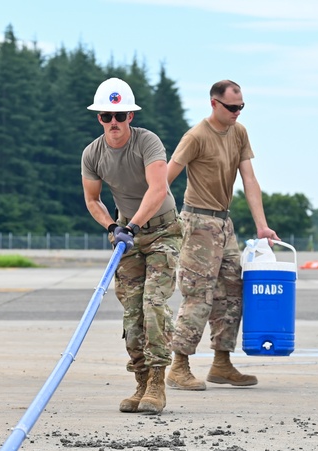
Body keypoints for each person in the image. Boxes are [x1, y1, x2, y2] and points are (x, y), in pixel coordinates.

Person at [165, 79, 280, 391]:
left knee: (231, 291)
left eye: (241, 107)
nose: (237, 113)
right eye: (232, 107)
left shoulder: (239, 133)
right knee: (198, 294)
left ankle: (221, 363)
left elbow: (250, 179)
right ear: (214, 103)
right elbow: (164, 179)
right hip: (198, 222)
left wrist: (262, 225)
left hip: (224, 224)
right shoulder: (196, 137)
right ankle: (179, 366)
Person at [81, 78, 182, 415]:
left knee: (153, 303)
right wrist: (113, 227)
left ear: (130, 117)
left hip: (162, 231)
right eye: (106, 116)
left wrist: (133, 225)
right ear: (99, 118)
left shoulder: (147, 142)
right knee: (132, 312)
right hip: (127, 236)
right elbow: (93, 201)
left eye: (120, 115)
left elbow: (157, 189)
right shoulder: (92, 154)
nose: (113, 123)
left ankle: (157, 382)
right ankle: (140, 380)